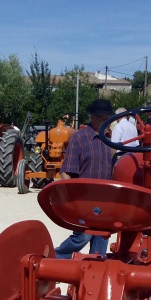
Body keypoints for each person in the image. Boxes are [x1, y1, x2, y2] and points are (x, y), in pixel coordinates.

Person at [53, 98, 115, 259]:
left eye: (109, 119)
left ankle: (96, 269)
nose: (107, 123)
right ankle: (56, 257)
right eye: (104, 119)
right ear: (93, 117)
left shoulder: (108, 140)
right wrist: (71, 199)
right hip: (84, 199)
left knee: (102, 236)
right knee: (83, 236)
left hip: (105, 198)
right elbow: (66, 171)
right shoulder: (79, 138)